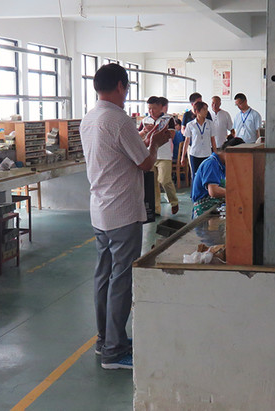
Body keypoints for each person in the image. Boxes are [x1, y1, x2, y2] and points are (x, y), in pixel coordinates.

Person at [80, 63, 170, 370]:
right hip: (121, 212)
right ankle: (115, 351)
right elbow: (145, 163)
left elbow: (118, 155)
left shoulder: (90, 118)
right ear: (120, 86)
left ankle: (105, 339)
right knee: (121, 279)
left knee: (103, 276)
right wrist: (155, 142)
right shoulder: (119, 119)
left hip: (100, 210)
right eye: (127, 87)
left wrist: (143, 138)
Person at [139, 96, 179, 215]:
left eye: (154, 108)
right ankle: (156, 209)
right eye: (149, 108)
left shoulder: (168, 119)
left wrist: (156, 131)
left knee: (164, 180)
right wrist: (145, 131)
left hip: (164, 155)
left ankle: (174, 201)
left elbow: (172, 135)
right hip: (149, 155)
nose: (151, 111)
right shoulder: (145, 120)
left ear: (161, 107)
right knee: (152, 183)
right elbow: (138, 136)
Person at [191, 137, 245, 217]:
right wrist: (234, 194)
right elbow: (214, 191)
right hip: (204, 211)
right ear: (229, 152)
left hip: (214, 207)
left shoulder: (222, 165)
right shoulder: (211, 164)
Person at [181, 101, 217, 179]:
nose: (206, 111)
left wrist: (215, 154)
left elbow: (213, 140)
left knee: (207, 176)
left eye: (207, 109)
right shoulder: (190, 125)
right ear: (197, 111)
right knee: (195, 176)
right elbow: (187, 141)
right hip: (195, 154)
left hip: (207, 154)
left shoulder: (210, 123)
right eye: (204, 109)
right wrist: (183, 156)